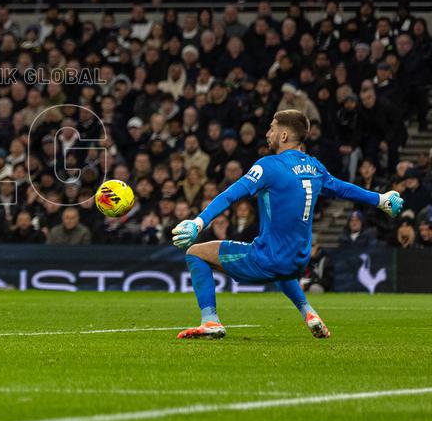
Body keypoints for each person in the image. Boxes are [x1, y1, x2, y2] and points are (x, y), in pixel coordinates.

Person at [171, 110, 404, 340]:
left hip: (266, 259)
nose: (267, 132)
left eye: (272, 127)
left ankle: (210, 321)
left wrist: (198, 222)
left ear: (283, 136)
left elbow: (230, 195)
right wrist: (381, 199)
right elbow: (344, 188)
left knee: (195, 254)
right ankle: (309, 313)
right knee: (282, 263)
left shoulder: (268, 166)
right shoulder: (315, 167)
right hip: (299, 262)